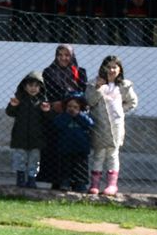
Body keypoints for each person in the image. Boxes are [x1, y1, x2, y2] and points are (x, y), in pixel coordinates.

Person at [85, 55, 137, 197]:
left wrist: (120, 112)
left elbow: (132, 102)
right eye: (108, 67)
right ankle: (95, 184)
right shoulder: (94, 83)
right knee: (99, 154)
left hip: (115, 126)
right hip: (99, 125)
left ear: (120, 69)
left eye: (115, 67)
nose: (111, 70)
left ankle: (111, 185)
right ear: (103, 68)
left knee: (113, 155)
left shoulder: (124, 86)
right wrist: (97, 88)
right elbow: (89, 101)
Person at [39, 44, 87, 186]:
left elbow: (82, 93)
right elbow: (50, 93)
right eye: (60, 55)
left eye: (67, 55)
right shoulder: (49, 72)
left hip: (76, 117)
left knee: (75, 149)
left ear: (72, 56)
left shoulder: (80, 72)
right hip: (57, 115)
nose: (63, 58)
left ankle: (76, 180)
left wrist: (73, 105)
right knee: (55, 147)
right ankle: (56, 180)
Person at [6, 71, 50, 188]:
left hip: (37, 138)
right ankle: (20, 178)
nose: (33, 89)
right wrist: (13, 105)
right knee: (20, 158)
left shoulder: (42, 102)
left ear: (41, 87)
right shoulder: (20, 99)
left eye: (36, 86)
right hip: (20, 136)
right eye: (30, 85)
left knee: (34, 160)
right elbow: (10, 113)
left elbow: (48, 119)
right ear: (25, 87)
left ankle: (31, 178)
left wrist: (47, 112)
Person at [51, 94, 94, 193]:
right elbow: (57, 125)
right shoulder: (62, 116)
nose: (72, 109)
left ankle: (80, 182)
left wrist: (78, 115)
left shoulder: (83, 116)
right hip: (65, 147)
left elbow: (90, 123)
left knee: (80, 166)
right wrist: (67, 116)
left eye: (75, 107)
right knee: (65, 166)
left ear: (80, 108)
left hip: (80, 148)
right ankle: (65, 182)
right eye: (69, 106)